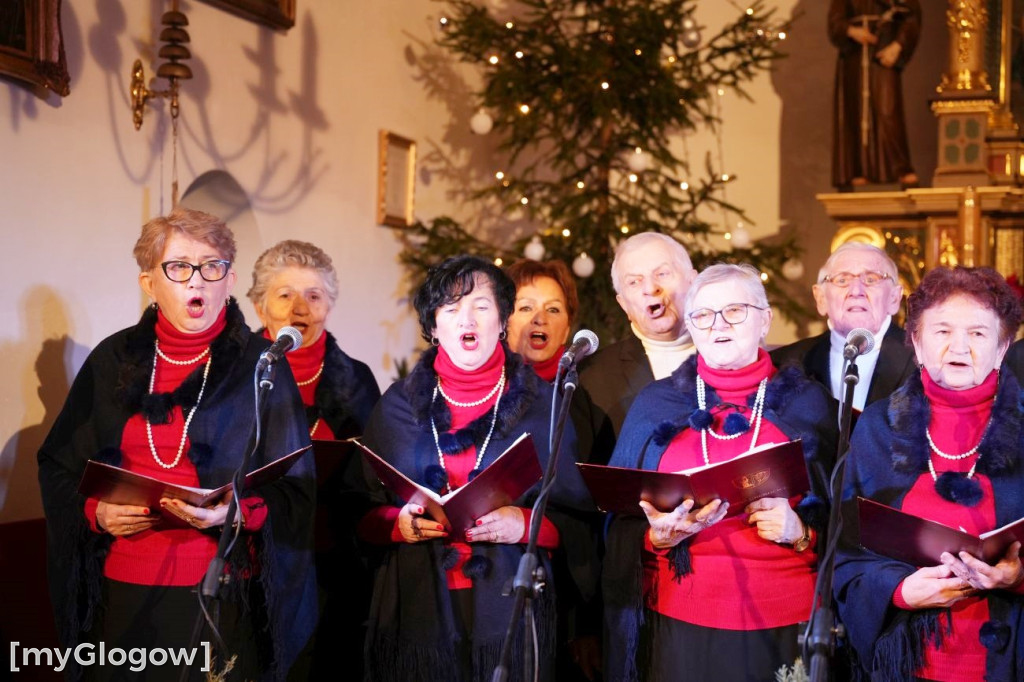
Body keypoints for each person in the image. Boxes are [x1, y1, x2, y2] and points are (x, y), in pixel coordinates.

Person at [37, 207, 317, 681]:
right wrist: (96, 513)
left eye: (212, 266)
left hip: (221, 589)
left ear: (229, 281)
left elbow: (296, 486)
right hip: (124, 589)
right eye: (179, 267)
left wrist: (237, 513)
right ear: (149, 283)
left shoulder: (261, 364)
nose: (197, 281)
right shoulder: (113, 359)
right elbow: (58, 465)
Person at [353, 255, 595, 681]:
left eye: (481, 306)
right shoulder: (397, 406)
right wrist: (396, 524)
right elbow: (355, 507)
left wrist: (525, 524)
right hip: (416, 604)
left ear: (502, 320)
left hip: (510, 610)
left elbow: (578, 520)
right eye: (451, 307)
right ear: (433, 326)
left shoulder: (544, 405)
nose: (467, 318)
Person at [603, 263, 837, 681]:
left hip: (785, 615)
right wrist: (655, 536)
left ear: (765, 319)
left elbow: (847, 521)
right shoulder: (657, 402)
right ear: (691, 326)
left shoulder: (808, 404)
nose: (717, 325)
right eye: (704, 315)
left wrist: (801, 531)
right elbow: (618, 516)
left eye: (734, 310)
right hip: (680, 614)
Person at [834, 266, 1024, 680]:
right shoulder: (879, 426)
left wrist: (1017, 575)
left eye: (977, 333)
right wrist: (898, 592)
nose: (959, 346)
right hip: (906, 661)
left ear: (1002, 346)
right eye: (941, 331)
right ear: (917, 343)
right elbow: (845, 553)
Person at [246, 239, 381, 679]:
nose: (299, 307)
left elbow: (375, 471)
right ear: (259, 305)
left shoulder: (356, 380)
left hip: (331, 559)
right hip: (249, 554)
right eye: (285, 295)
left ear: (329, 305)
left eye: (314, 295)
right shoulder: (232, 369)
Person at [771, 242, 916, 413]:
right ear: (821, 299)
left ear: (894, 298)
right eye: (842, 280)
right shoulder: (782, 364)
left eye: (870, 279)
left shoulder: (924, 362)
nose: (856, 291)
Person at [580, 232, 697, 442]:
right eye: (634, 282)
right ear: (623, 304)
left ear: (693, 282)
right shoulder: (592, 378)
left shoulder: (731, 355)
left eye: (662, 274)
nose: (651, 288)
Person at [828, 0, 921, 190]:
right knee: (854, 112)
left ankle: (899, 168)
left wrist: (898, 45)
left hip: (883, 47)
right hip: (854, 56)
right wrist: (852, 31)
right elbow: (835, 22)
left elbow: (911, 16)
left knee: (888, 110)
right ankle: (858, 170)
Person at [505, 258, 578, 382]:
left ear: (566, 331)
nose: (540, 319)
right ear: (503, 322)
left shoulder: (586, 385)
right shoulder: (482, 388)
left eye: (553, 310)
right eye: (526, 308)